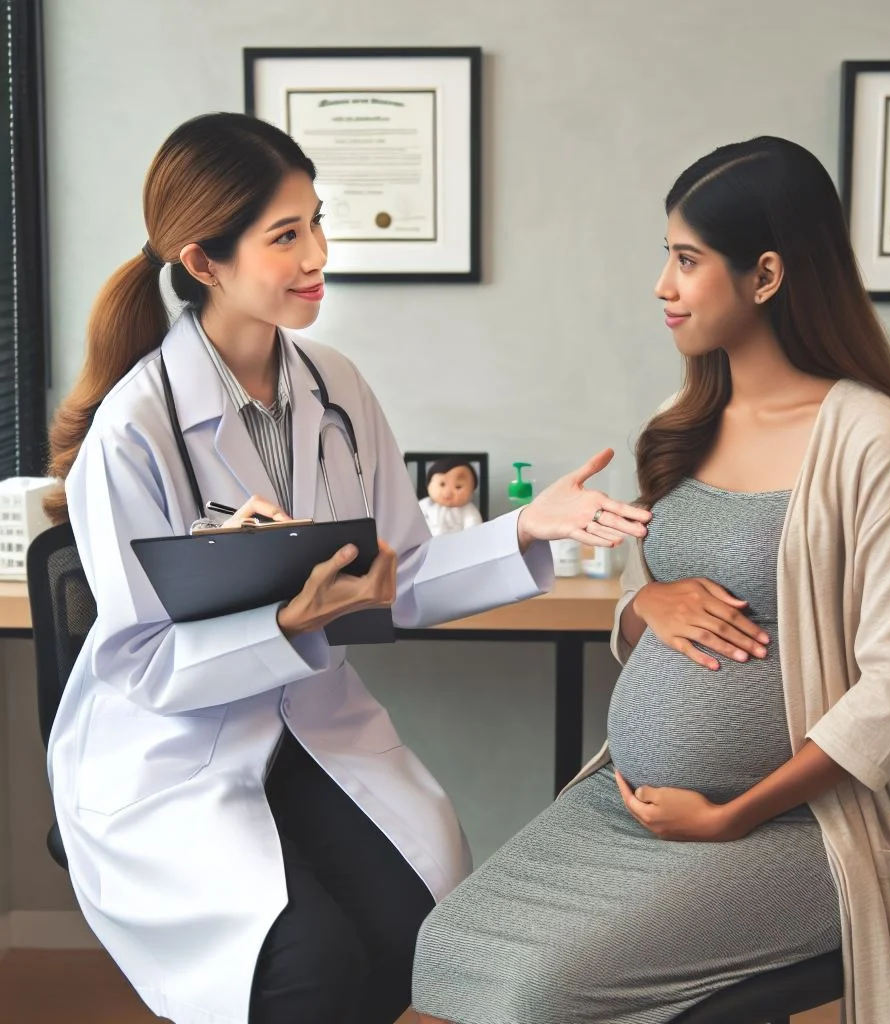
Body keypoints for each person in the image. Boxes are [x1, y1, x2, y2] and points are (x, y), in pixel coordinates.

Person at [42, 112, 651, 1024]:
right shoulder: (133, 432)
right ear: (203, 262)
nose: (319, 252)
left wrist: (530, 527)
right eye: (286, 235)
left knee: (413, 929)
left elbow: (398, 576)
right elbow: (141, 667)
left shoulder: (335, 389)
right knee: (304, 969)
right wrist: (288, 623)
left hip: (310, 727)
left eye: (316, 221)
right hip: (172, 751)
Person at [413, 136, 890, 1024]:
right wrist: (644, 604)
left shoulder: (869, 438)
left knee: (542, 991)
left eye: (686, 260)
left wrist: (735, 813)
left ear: (767, 275)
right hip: (631, 807)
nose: (662, 286)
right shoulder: (684, 422)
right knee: (449, 948)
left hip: (794, 831)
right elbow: (645, 614)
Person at [418, 456, 484, 535]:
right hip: (426, 543)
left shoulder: (468, 510)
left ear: (472, 490)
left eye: (458, 487)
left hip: (456, 544)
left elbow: (474, 528)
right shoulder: (426, 504)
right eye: (442, 485)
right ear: (429, 486)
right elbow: (412, 521)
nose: (448, 492)